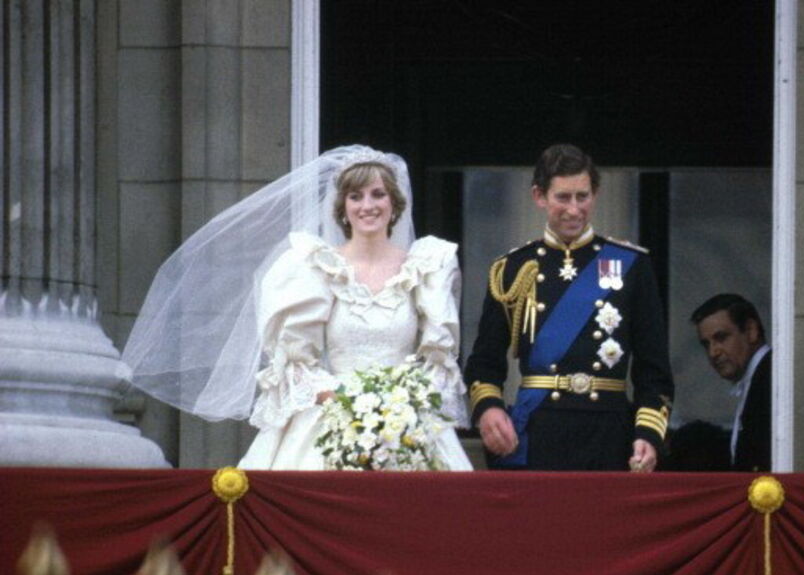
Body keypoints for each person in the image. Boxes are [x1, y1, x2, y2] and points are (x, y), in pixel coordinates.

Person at [122, 145, 472, 470]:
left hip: (407, 423)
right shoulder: (314, 266)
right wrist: (344, 402)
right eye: (356, 196)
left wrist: (400, 406)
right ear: (343, 208)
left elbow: (437, 362)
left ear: (394, 204)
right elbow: (295, 362)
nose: (368, 205)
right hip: (332, 414)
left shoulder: (426, 266)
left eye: (378, 194)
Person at [464, 144, 674, 471]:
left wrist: (648, 432)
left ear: (595, 194)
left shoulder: (630, 264)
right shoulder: (513, 268)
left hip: (609, 434)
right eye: (563, 197)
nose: (574, 209)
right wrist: (489, 409)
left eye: (583, 196)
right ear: (539, 196)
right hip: (538, 431)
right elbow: (484, 363)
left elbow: (654, 369)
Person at [691, 293, 771, 472]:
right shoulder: (757, 378)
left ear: (751, 331)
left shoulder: (772, 380)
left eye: (721, 338)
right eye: (706, 344)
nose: (713, 352)